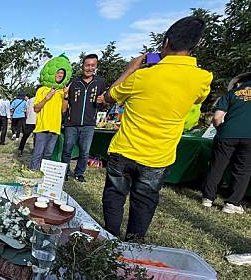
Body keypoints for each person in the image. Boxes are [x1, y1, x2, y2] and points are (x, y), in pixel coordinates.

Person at [102, 16, 213, 239]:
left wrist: (130, 69)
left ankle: (110, 238)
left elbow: (108, 97)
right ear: (194, 46)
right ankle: (134, 244)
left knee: (114, 194)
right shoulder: (202, 78)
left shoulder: (141, 76)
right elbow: (199, 99)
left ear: (166, 41)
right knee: (144, 201)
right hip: (158, 156)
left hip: (125, 149)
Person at [202, 72, 251, 214]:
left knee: (217, 165)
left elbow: (217, 118)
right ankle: (231, 203)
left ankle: (208, 198)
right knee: (243, 170)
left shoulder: (231, 94)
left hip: (227, 134)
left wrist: (221, 130)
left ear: (238, 83)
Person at [62, 54, 107, 182]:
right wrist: (65, 96)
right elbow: (65, 104)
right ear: (82, 66)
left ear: (96, 66)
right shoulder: (74, 82)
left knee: (84, 152)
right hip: (71, 123)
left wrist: (102, 101)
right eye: (87, 65)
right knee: (67, 150)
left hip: (89, 124)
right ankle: (64, 172)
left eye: (93, 65)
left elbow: (104, 104)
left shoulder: (100, 82)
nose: (90, 68)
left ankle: (79, 173)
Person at [30, 70, 69, 169]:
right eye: (58, 72)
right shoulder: (42, 89)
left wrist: (66, 96)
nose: (60, 75)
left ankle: (44, 178)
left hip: (55, 128)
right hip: (42, 128)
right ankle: (33, 176)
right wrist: (47, 97)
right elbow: (36, 108)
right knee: (37, 154)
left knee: (48, 155)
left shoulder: (62, 91)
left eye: (62, 74)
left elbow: (64, 110)